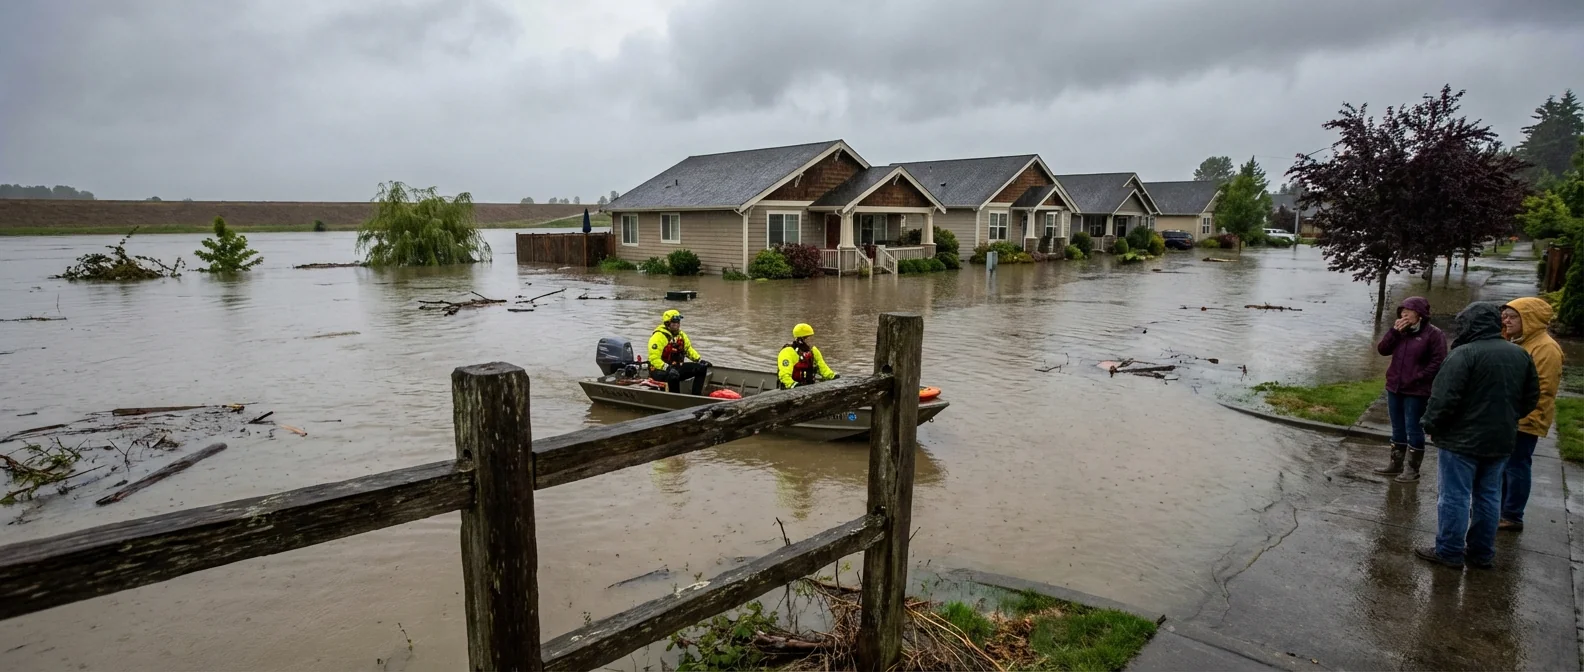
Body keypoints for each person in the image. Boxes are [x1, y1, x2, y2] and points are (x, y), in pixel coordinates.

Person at [1416, 302, 1539, 570]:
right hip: (1501, 440)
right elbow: (1530, 399)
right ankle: (1482, 552)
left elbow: (1443, 399)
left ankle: (1449, 550)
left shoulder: (1463, 355)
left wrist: (1430, 424)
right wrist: (1504, 419)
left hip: (1460, 442)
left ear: (1471, 324)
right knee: (1489, 495)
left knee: (1454, 496)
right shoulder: (1520, 355)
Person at [1499, 297, 1563, 531]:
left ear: (1530, 318)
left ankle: (1512, 514)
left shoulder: (1546, 348)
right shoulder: (1521, 341)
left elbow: (1542, 389)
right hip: (1512, 417)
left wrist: (1518, 415)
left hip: (1525, 420)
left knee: (1516, 466)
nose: (1506, 320)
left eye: (1512, 316)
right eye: (1504, 316)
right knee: (1506, 466)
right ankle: (1503, 510)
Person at [1373, 297, 1448, 482]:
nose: (1404, 314)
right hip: (1395, 387)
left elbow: (1438, 362)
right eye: (1402, 311)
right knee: (1397, 427)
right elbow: (1382, 350)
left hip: (1417, 391)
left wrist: (1418, 377)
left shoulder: (1434, 334)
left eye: (1409, 311)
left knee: (1413, 428)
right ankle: (1395, 464)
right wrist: (1394, 332)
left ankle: (1412, 470)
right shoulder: (1401, 332)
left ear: (1420, 314)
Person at [647, 309, 710, 394]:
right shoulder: (658, 337)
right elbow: (653, 358)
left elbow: (688, 349)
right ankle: (675, 398)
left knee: (701, 368)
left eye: (678, 322)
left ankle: (696, 396)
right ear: (667, 323)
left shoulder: (681, 335)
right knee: (673, 375)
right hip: (659, 370)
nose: (676, 324)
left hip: (675, 367)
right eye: (674, 322)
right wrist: (667, 368)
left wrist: (699, 360)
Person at [777, 323, 838, 389]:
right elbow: (784, 374)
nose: (811, 340)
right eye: (808, 338)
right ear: (801, 339)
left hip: (809, 386)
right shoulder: (788, 352)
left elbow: (822, 367)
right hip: (792, 388)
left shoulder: (813, 351)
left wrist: (832, 376)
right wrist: (792, 384)